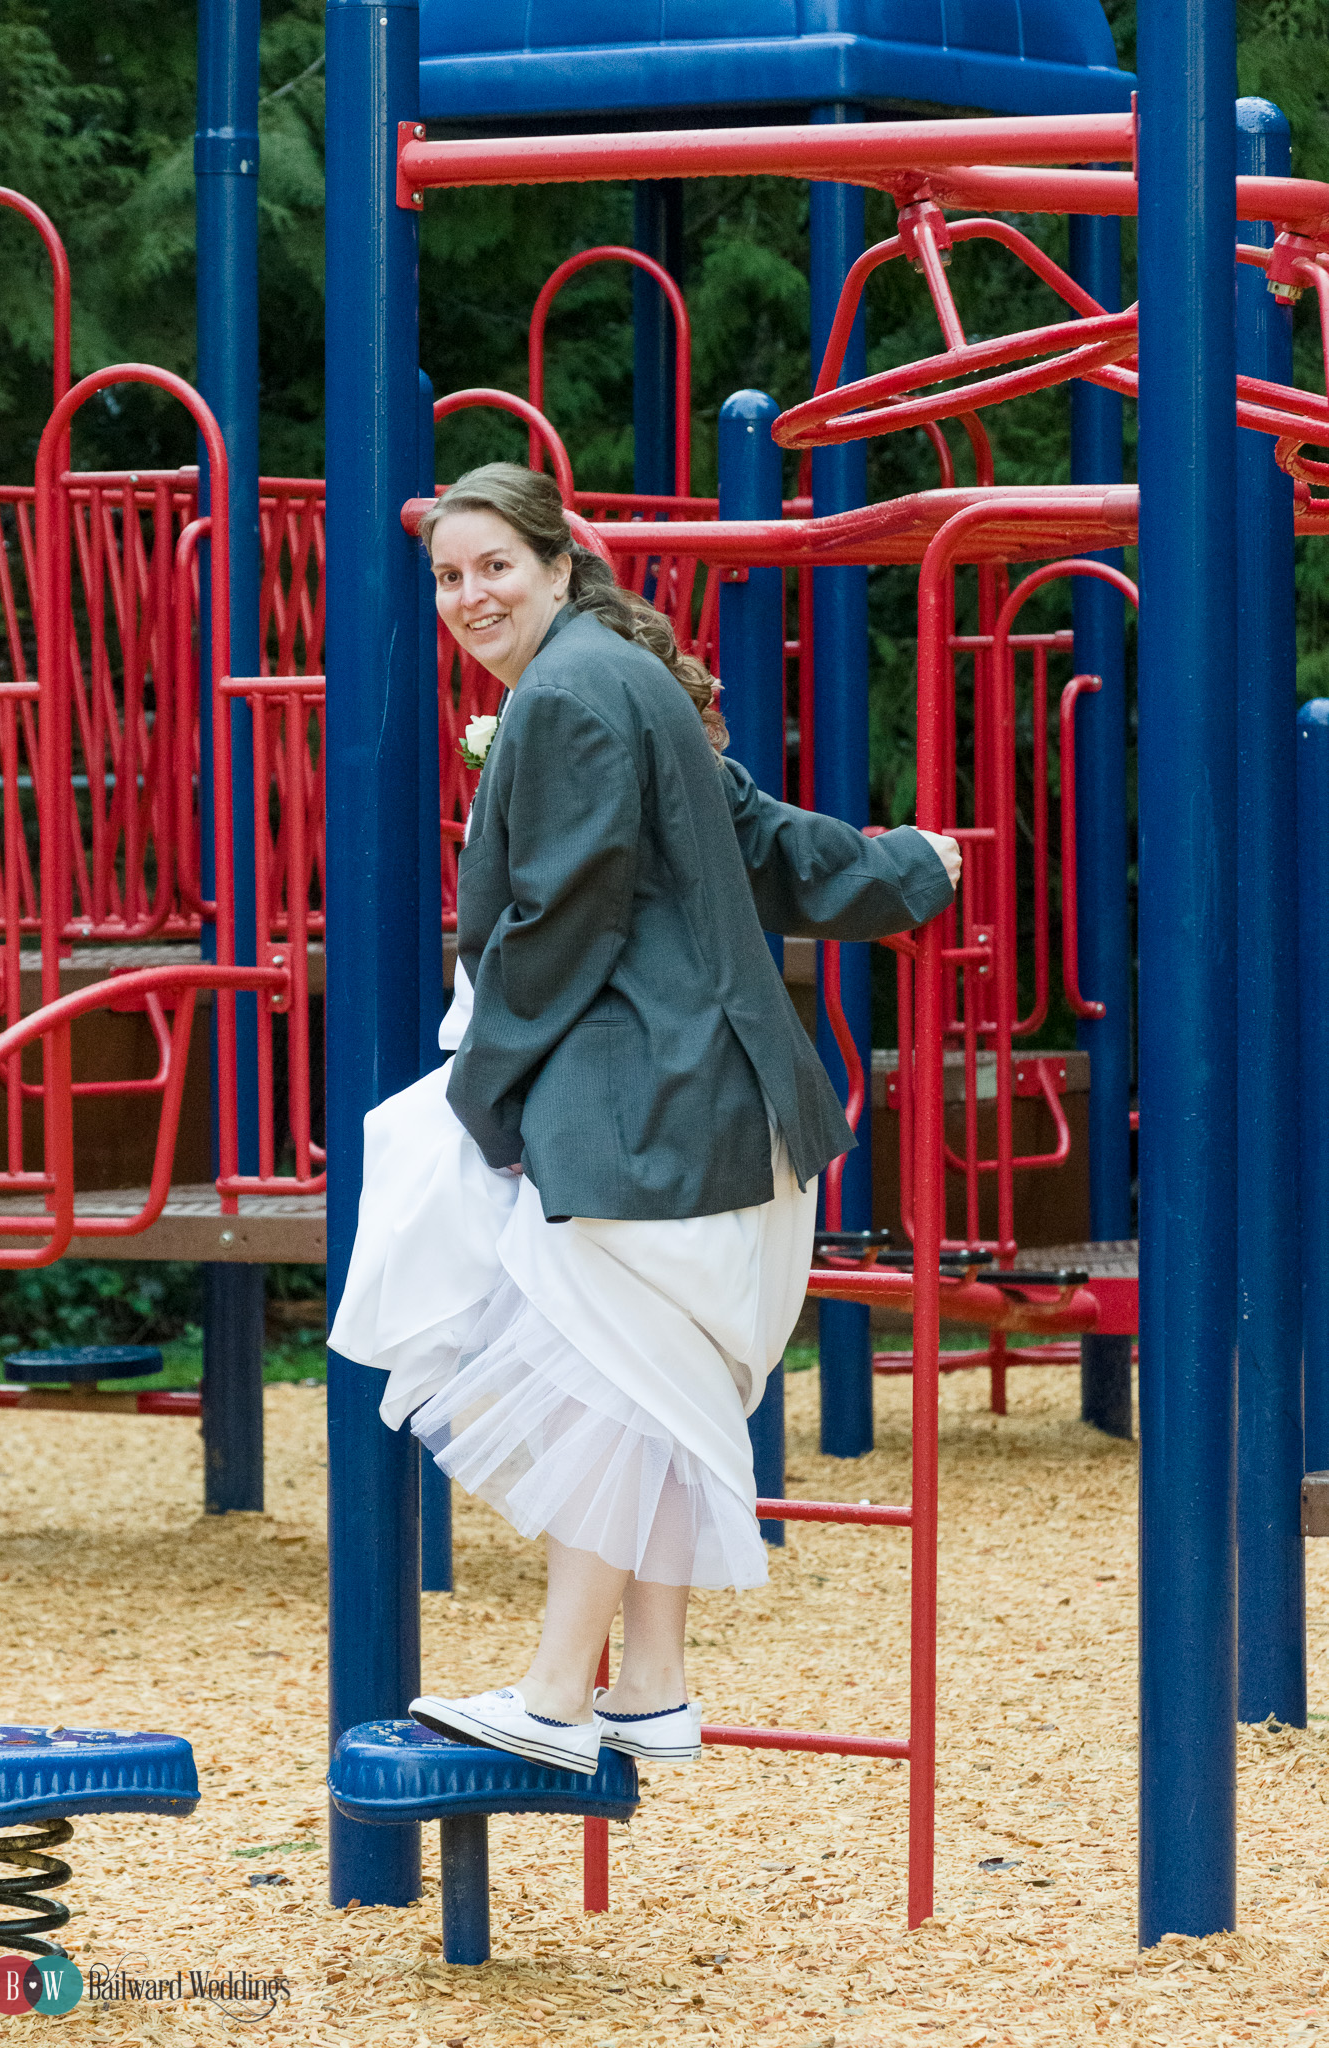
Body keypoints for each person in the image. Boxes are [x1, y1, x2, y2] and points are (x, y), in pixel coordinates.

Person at [329, 462, 961, 1777]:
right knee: (644, 1389)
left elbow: (560, 924)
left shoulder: (564, 696)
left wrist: (484, 1092)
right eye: (447, 576)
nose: (468, 594)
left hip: (656, 1117)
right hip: (723, 1118)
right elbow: (767, 847)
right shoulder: (622, 683)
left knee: (609, 1386)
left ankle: (560, 1696)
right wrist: (910, 870)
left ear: (560, 564)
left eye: (493, 563)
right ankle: (652, 1686)